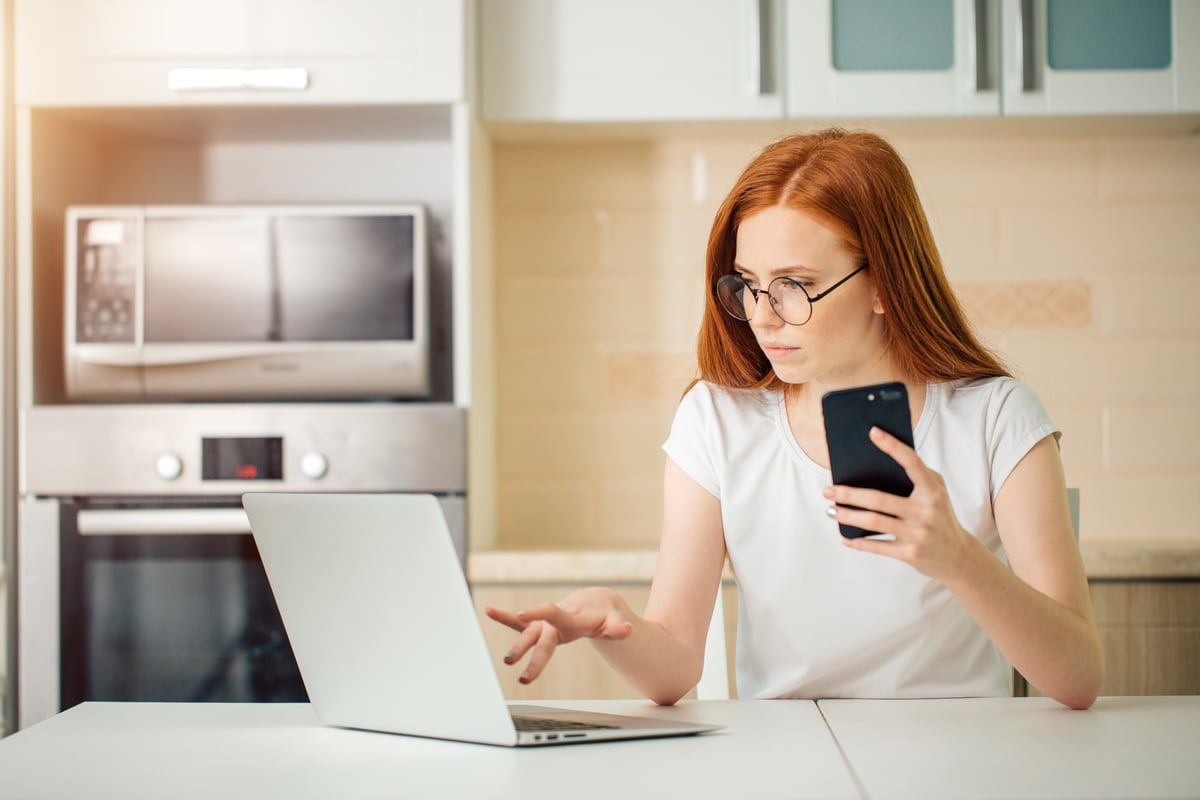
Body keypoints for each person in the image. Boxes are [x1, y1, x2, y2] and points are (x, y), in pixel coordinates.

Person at [486, 128, 1104, 710]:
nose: (763, 316)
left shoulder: (996, 417)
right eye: (750, 285)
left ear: (885, 283)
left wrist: (960, 561)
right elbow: (675, 663)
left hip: (954, 757)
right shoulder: (717, 422)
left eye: (795, 285)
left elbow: (1078, 679)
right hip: (783, 759)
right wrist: (611, 622)